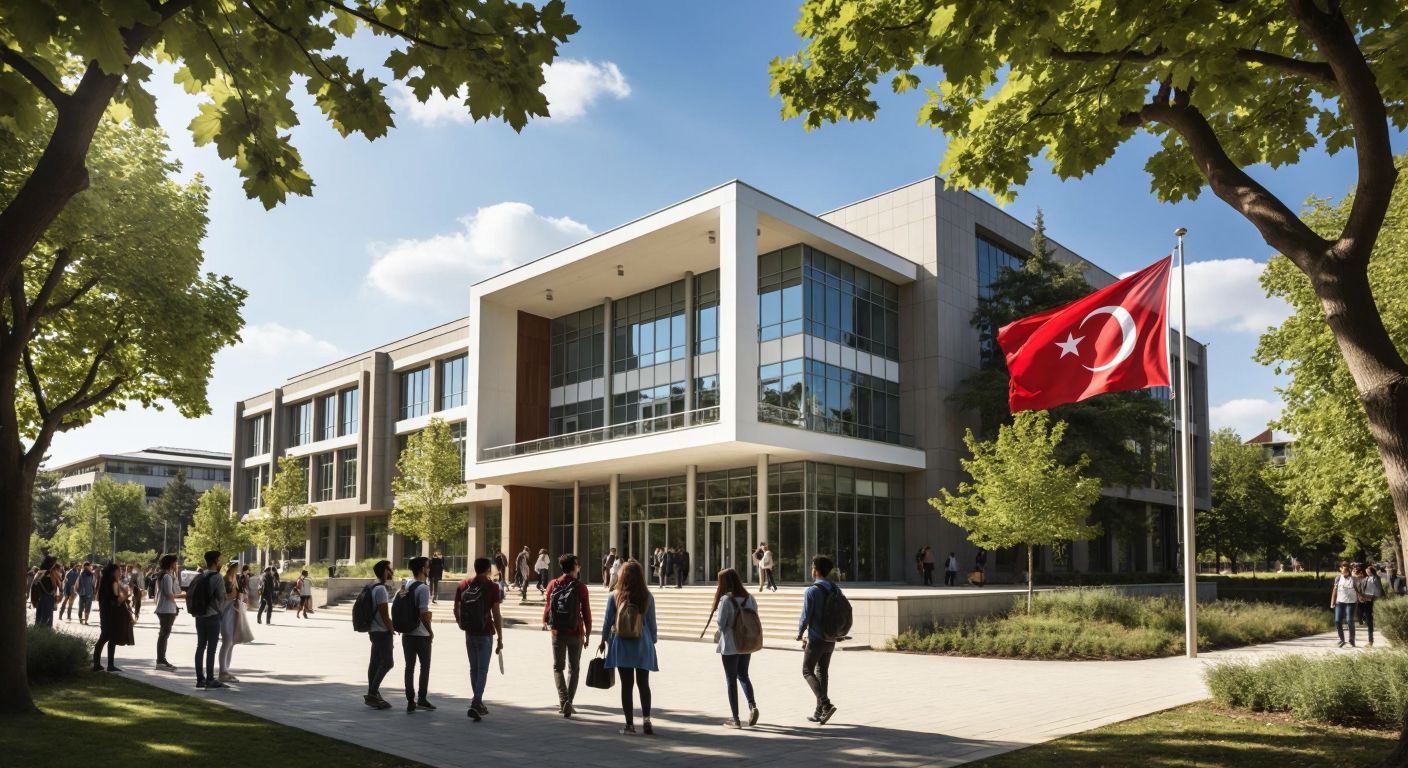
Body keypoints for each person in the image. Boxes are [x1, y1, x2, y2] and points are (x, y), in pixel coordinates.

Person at [600, 560, 658, 735]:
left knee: (627, 685)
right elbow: (652, 623)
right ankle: (647, 720)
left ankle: (629, 725)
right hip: (642, 642)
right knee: (643, 684)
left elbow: (607, 620)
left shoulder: (614, 596)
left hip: (622, 643)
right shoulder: (647, 596)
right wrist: (652, 640)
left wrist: (603, 639)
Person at [455, 557, 504, 722]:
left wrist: (462, 624)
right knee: (482, 670)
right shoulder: (492, 587)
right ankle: (476, 702)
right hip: (485, 633)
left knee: (473, 669)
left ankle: (478, 701)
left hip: (470, 633)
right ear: (488, 569)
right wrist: (500, 637)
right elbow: (496, 614)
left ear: (475, 568)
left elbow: (457, 609)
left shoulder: (463, 585)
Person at [543, 553, 592, 718]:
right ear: (573, 568)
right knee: (574, 668)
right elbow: (586, 612)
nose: (579, 568)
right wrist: (588, 633)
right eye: (577, 566)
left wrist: (545, 621)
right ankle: (569, 702)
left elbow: (548, 607)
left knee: (558, 667)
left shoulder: (552, 584)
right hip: (576, 632)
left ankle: (563, 701)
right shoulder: (580, 587)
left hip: (557, 632)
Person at [713, 568, 759, 728]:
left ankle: (735, 718)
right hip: (746, 642)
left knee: (731, 680)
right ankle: (752, 705)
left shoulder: (726, 600)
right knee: (744, 675)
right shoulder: (749, 598)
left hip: (730, 644)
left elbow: (721, 623)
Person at [796, 555, 840, 725]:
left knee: (807, 671)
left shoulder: (812, 591)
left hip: (816, 638)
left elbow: (806, 615)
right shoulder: (834, 588)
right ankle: (819, 711)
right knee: (822, 672)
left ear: (816, 570)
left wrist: (800, 633)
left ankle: (826, 704)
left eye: (812, 566)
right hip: (831, 637)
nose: (810, 569)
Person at [402, 556, 436, 712]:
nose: (429, 569)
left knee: (409, 667)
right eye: (428, 567)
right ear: (422, 569)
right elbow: (423, 613)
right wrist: (430, 631)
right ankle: (422, 698)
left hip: (407, 633)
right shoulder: (423, 588)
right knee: (425, 666)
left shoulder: (405, 585)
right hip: (421, 634)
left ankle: (410, 700)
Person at [192, 550, 228, 689]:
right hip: (213, 615)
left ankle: (200, 679)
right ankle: (210, 679)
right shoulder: (217, 577)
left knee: (200, 646)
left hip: (199, 616)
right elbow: (222, 597)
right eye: (218, 559)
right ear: (215, 561)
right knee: (211, 649)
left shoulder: (200, 576)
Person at [364, 560, 396, 710]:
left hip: (373, 630)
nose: (392, 572)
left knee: (375, 662)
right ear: (385, 571)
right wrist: (391, 629)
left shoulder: (372, 586)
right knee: (388, 663)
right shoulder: (381, 590)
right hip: (382, 632)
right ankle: (372, 693)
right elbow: (385, 614)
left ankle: (374, 693)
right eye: (390, 569)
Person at [91, 562, 134, 672]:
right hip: (113, 615)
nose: (120, 572)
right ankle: (110, 665)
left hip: (105, 614)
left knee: (103, 638)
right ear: (114, 572)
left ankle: (97, 663)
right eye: (119, 570)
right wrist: (126, 595)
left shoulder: (104, 582)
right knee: (111, 639)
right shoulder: (113, 582)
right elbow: (117, 600)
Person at [217, 562, 251, 683]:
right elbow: (226, 596)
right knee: (227, 642)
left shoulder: (234, 579)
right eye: (234, 568)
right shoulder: (225, 579)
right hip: (226, 612)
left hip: (232, 612)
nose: (236, 570)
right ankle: (222, 671)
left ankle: (226, 670)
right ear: (229, 569)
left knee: (231, 642)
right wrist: (237, 596)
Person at [153, 554, 184, 671]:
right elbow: (169, 594)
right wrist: (182, 595)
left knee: (164, 635)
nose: (176, 565)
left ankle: (162, 659)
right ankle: (160, 660)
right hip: (166, 610)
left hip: (166, 609)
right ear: (171, 563)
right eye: (175, 563)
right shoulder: (166, 577)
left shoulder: (164, 575)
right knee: (164, 635)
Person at [1331, 560, 1360, 648]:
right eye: (1343, 570)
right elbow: (1335, 590)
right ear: (1340, 569)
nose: (1344, 572)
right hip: (1340, 602)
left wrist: (1361, 598)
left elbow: (1359, 590)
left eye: (1346, 570)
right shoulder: (1338, 578)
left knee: (1349, 620)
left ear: (1348, 570)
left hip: (1351, 602)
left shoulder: (1354, 579)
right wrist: (1332, 601)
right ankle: (1342, 639)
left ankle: (1352, 639)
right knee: (1337, 620)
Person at [1360, 563, 1384, 648]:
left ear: (1371, 571)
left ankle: (1371, 638)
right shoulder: (1366, 578)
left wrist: (1376, 598)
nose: (1366, 571)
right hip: (1367, 600)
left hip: (1373, 600)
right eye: (1366, 570)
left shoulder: (1375, 578)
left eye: (1368, 570)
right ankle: (1370, 640)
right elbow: (1362, 589)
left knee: (1374, 618)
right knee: (1369, 620)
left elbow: (1379, 589)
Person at [31, 556, 59, 628]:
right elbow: (55, 585)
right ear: (51, 563)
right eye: (54, 563)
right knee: (46, 618)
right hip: (48, 597)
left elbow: (34, 585)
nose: (54, 565)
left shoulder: (39, 572)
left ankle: (38, 632)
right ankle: (46, 633)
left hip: (40, 597)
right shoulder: (49, 573)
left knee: (39, 616)